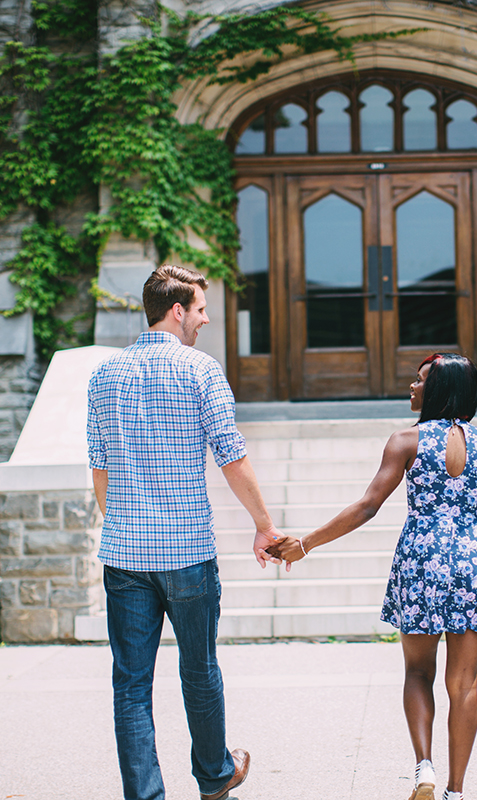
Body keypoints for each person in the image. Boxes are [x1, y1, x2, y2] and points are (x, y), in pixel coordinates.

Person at [87, 264, 295, 800]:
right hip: (186, 553)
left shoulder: (103, 376)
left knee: (131, 685)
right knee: (198, 669)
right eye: (200, 309)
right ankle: (214, 774)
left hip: (125, 555)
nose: (205, 319)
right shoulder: (201, 370)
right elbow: (232, 456)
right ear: (177, 310)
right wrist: (265, 527)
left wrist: (123, 529)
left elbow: (100, 467)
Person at [269, 353, 477, 800]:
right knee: (465, 685)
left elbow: (367, 506)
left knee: (418, 672)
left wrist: (306, 544)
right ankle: (456, 792)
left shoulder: (406, 441)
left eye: (420, 382)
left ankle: (424, 769)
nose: (412, 388)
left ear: (438, 391)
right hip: (473, 564)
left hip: (420, 561)